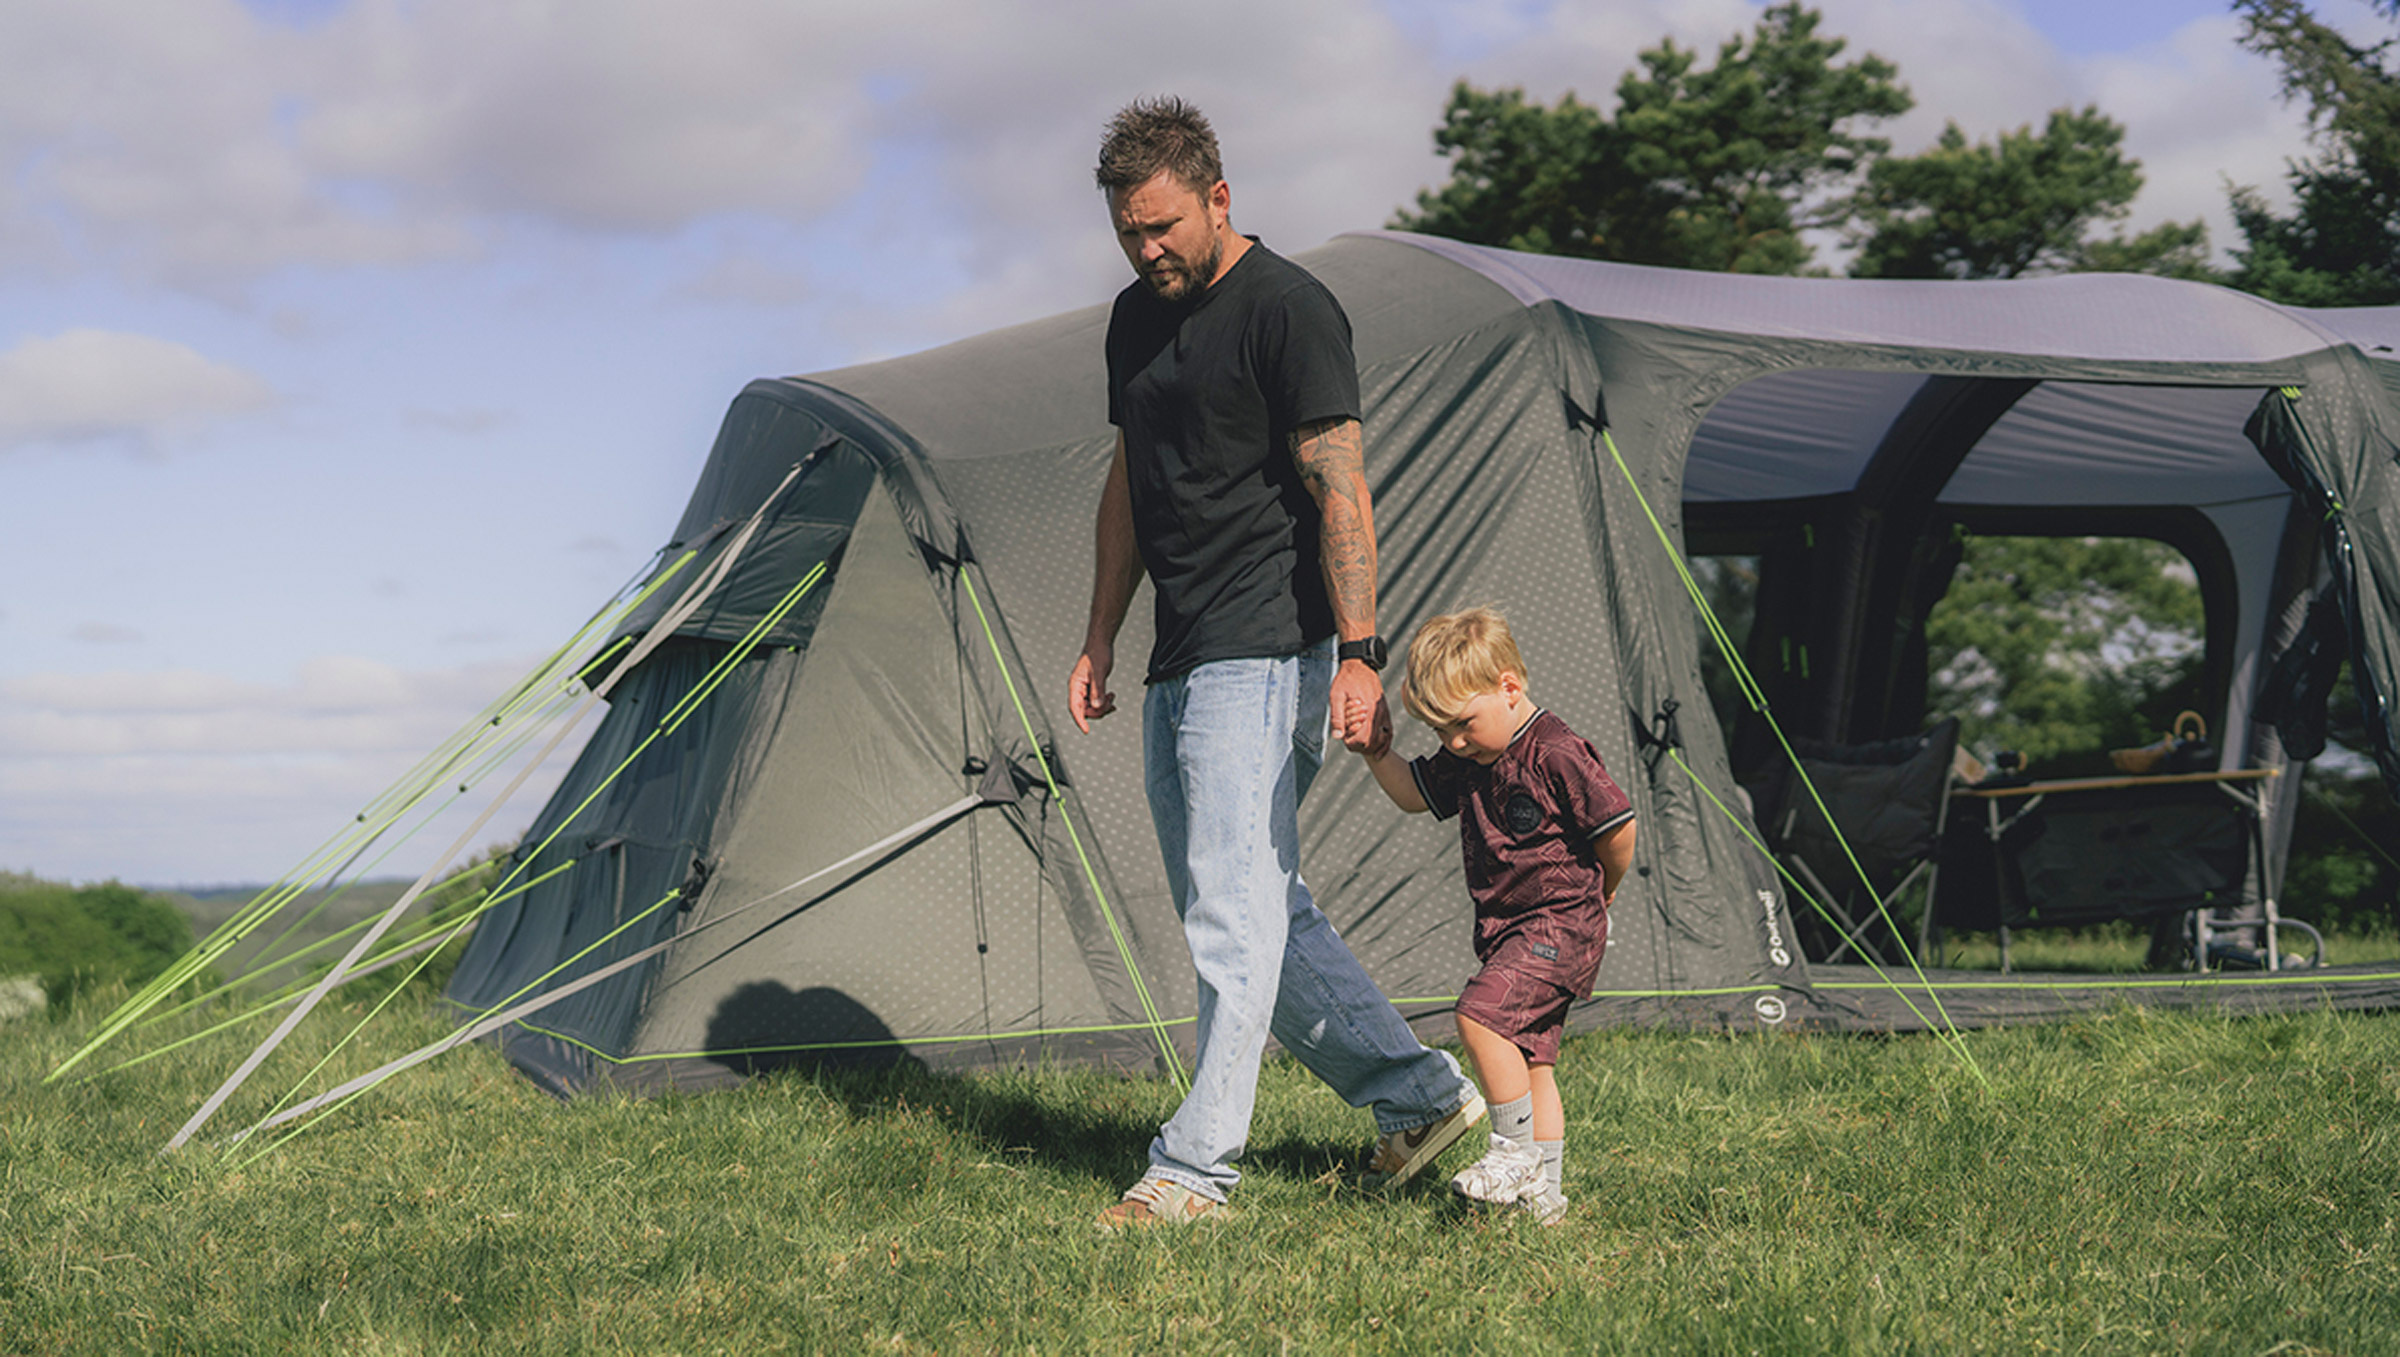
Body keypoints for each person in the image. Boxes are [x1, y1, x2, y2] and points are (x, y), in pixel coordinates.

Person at [1068, 96, 1486, 1230]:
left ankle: (1195, 1170)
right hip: (1179, 649)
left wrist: (1360, 653)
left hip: (1270, 647)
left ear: (1218, 196)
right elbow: (1130, 484)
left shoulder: (1290, 308)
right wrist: (1103, 630)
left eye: (1162, 227)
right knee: (1254, 903)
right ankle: (1420, 1096)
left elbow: (1337, 483)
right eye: (1127, 234)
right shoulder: (1131, 321)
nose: (1147, 249)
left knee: (1231, 915)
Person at [1356, 607, 1638, 1224]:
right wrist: (1379, 753)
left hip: (1561, 922)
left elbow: (1618, 830)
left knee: (1479, 1016)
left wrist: (1605, 891)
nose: (1453, 742)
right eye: (1439, 733)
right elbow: (1414, 794)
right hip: (1510, 929)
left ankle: (1512, 1153)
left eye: (1462, 724)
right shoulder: (1469, 759)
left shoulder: (1556, 751)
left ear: (1509, 688)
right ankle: (1546, 1200)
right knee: (1532, 1060)